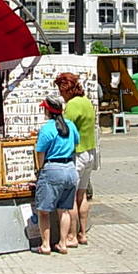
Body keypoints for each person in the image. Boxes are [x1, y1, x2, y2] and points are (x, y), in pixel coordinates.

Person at [33, 95, 80, 255]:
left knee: (44, 211)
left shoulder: (47, 128)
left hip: (53, 169)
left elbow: (40, 151)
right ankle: (63, 243)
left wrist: (40, 170)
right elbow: (76, 143)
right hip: (70, 169)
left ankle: (45, 245)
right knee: (64, 209)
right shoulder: (71, 126)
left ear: (48, 110)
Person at [55, 72, 96, 247]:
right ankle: (82, 232)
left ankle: (71, 236)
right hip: (90, 151)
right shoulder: (87, 102)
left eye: (61, 90)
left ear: (67, 89)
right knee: (83, 195)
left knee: (70, 198)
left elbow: (64, 129)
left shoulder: (72, 105)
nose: (60, 94)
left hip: (77, 154)